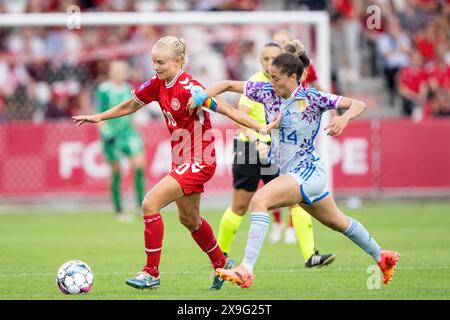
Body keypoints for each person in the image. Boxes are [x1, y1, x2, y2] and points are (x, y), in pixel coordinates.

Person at [188, 39, 400, 288]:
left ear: (291, 76)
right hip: (294, 174)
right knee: (338, 222)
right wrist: (203, 94)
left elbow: (358, 104)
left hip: (308, 171)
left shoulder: (313, 98)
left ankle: (245, 269)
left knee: (259, 200)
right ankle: (381, 256)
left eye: (276, 77)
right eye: (270, 76)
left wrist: (344, 119)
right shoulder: (265, 91)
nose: (272, 81)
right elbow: (226, 85)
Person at [73, 36, 279, 291]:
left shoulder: (190, 88)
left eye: (160, 62)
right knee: (189, 219)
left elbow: (227, 110)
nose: (155, 67)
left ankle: (151, 273)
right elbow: (131, 104)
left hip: (199, 159)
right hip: (182, 158)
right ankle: (222, 263)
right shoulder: (157, 84)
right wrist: (99, 117)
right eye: (153, 62)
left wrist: (260, 126)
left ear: (178, 61)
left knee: (150, 204)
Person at [217, 41, 335, 268]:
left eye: (274, 58)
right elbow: (240, 119)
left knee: (297, 201)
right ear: (259, 61)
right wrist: (257, 142)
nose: (269, 63)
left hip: (280, 149)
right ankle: (219, 256)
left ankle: (311, 255)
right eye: (265, 59)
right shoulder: (253, 83)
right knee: (240, 206)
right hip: (249, 149)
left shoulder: (288, 83)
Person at [94, 60, 145, 222]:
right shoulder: (104, 90)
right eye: (116, 70)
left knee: (138, 166)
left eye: (122, 70)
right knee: (116, 172)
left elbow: (132, 112)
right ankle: (118, 210)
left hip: (128, 134)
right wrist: (104, 133)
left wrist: (136, 130)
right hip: (112, 135)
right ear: (110, 72)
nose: (119, 73)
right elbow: (99, 114)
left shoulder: (130, 90)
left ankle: (140, 206)